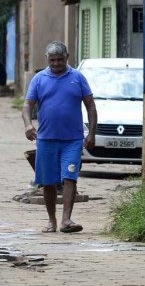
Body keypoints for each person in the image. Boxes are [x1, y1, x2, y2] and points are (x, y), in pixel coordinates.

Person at [22, 41, 97, 233]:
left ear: (67, 57)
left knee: (69, 177)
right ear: (46, 59)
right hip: (46, 139)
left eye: (60, 60)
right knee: (48, 181)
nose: (56, 63)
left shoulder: (78, 78)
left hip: (72, 139)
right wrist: (28, 124)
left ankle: (66, 220)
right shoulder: (39, 79)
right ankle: (51, 220)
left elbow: (90, 106)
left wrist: (92, 133)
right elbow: (27, 106)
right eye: (52, 60)